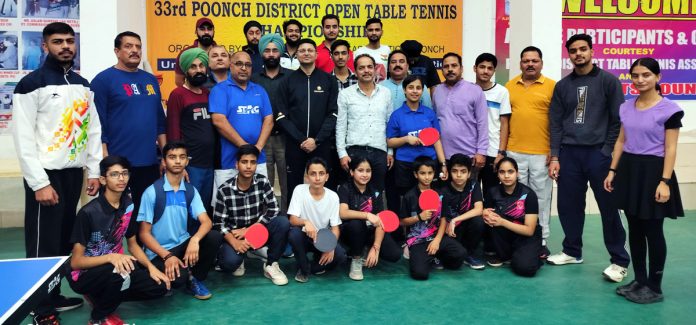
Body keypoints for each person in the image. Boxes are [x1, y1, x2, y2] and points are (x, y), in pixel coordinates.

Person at [13, 22, 101, 324]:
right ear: (44, 45)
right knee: (42, 246)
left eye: (69, 41)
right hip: (46, 177)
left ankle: (53, 294)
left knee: (65, 241)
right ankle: (40, 309)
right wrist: (39, 183)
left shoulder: (82, 83)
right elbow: (23, 138)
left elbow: (92, 130)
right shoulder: (30, 84)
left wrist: (94, 171)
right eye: (57, 41)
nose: (65, 46)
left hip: (73, 175)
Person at [547, 34, 630, 283]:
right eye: (573, 51)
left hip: (598, 154)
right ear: (569, 55)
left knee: (608, 208)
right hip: (569, 154)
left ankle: (619, 260)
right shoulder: (562, 86)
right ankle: (572, 251)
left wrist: (606, 151)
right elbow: (556, 124)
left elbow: (618, 121)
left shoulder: (609, 82)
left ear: (592, 51)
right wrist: (555, 156)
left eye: (583, 49)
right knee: (568, 206)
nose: (578, 54)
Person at [604, 58, 684, 304]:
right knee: (635, 229)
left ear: (658, 77)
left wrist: (664, 181)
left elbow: (670, 149)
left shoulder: (669, 109)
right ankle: (640, 280)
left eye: (646, 75)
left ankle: (655, 286)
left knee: (653, 230)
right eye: (635, 75)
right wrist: (612, 171)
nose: (640, 80)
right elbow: (620, 141)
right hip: (629, 170)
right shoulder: (626, 107)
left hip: (654, 173)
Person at [67, 156, 169, 325]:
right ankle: (98, 317)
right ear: (103, 179)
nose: (121, 178)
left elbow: (133, 244)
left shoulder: (128, 206)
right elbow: (76, 263)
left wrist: (151, 268)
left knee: (159, 286)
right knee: (120, 272)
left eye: (124, 173)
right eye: (114, 174)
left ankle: (102, 295)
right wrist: (111, 257)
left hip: (116, 268)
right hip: (84, 275)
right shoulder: (88, 213)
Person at [92, 31, 166, 219]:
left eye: (138, 47)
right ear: (117, 51)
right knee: (114, 219)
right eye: (128, 46)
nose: (134, 50)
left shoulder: (150, 81)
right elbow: (97, 124)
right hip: (118, 165)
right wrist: (104, 160)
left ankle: (141, 249)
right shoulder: (103, 80)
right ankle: (112, 251)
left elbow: (160, 122)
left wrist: (165, 156)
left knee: (145, 218)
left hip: (149, 163)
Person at [137, 142, 223, 300]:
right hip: (159, 251)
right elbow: (143, 234)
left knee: (214, 237)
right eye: (172, 157)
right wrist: (167, 256)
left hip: (183, 244)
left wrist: (195, 240)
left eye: (182, 157)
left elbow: (206, 222)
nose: (177, 161)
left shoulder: (190, 191)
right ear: (163, 161)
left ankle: (194, 278)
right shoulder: (152, 192)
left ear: (187, 161)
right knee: (177, 280)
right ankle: (184, 274)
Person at [213, 144, 290, 286]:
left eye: (252, 162)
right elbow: (219, 224)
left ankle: (271, 264)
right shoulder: (224, 190)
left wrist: (250, 229)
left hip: (257, 232)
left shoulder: (262, 181)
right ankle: (242, 255)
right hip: (236, 235)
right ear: (237, 164)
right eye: (244, 162)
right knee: (229, 264)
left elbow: (274, 208)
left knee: (283, 222)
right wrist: (235, 242)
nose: (248, 166)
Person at [503, 47, 555, 258]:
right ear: (520, 63)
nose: (530, 64)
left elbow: (557, 121)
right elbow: (504, 121)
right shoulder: (509, 86)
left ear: (541, 63)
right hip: (514, 152)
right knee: (517, 199)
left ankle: (541, 239)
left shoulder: (552, 86)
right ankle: (518, 238)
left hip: (542, 153)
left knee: (541, 198)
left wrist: (554, 150)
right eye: (526, 61)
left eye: (534, 60)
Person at [276, 38, 339, 197]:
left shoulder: (329, 80)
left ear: (316, 54)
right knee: (294, 187)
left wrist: (316, 140)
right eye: (302, 51)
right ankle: (294, 221)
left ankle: (326, 221)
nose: (306, 53)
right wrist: (301, 140)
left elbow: (333, 113)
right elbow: (281, 116)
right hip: (295, 144)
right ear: (296, 55)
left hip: (321, 144)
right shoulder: (286, 81)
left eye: (310, 50)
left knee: (324, 186)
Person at [210, 51, 273, 192]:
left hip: (258, 159)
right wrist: (245, 147)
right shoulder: (219, 90)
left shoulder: (260, 90)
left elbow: (269, 120)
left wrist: (257, 148)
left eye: (248, 65)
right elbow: (219, 121)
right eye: (239, 64)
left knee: (259, 201)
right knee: (228, 205)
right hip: (229, 161)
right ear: (230, 66)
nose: (244, 68)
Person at [386, 75, 447, 214]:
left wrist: (443, 164)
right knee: (408, 203)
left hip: (428, 164)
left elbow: (436, 139)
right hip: (405, 165)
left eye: (418, 88)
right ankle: (409, 233)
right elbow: (390, 141)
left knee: (430, 202)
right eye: (411, 87)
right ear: (404, 90)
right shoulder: (397, 115)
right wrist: (406, 139)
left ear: (422, 91)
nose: (415, 91)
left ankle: (428, 232)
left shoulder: (429, 113)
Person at [336, 54, 393, 196]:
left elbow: (390, 125)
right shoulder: (345, 94)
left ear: (375, 69)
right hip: (354, 152)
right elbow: (341, 126)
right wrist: (342, 153)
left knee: (377, 195)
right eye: (361, 68)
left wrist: (390, 151)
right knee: (353, 196)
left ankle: (375, 218)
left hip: (380, 152)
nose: (366, 71)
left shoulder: (386, 93)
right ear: (355, 71)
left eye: (369, 67)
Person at [401, 157, 466, 280]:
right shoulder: (409, 196)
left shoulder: (441, 194)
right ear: (416, 174)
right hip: (417, 240)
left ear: (434, 174)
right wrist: (418, 217)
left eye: (430, 173)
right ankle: (416, 254)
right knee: (420, 274)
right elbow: (402, 221)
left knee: (460, 255)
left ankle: (436, 256)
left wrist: (437, 240)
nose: (427, 177)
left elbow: (443, 219)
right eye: (422, 173)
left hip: (437, 236)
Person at [166, 48, 215, 209]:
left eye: (201, 66)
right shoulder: (178, 94)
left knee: (205, 208)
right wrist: (179, 165)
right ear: (186, 70)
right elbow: (173, 131)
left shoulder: (208, 93)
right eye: (193, 67)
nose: (199, 70)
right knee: (189, 209)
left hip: (210, 163)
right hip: (191, 165)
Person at [338, 157, 401, 281]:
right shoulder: (345, 188)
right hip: (350, 232)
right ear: (352, 172)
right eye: (360, 170)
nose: (365, 174)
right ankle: (356, 258)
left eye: (368, 171)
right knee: (356, 224)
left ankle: (367, 249)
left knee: (394, 254)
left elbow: (380, 221)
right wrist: (367, 215)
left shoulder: (375, 191)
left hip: (370, 231)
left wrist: (376, 247)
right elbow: (343, 213)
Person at [287, 157, 347, 282]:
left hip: (323, 238)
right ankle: (304, 267)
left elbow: (335, 228)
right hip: (305, 236)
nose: (317, 178)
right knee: (294, 234)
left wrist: (330, 247)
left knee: (340, 255)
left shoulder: (333, 196)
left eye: (321, 174)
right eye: (313, 174)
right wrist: (306, 222)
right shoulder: (299, 190)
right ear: (307, 176)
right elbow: (292, 219)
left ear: (327, 176)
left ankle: (309, 267)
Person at [483, 157, 543, 277]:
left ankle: (532, 254)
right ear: (498, 174)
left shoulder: (528, 194)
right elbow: (486, 213)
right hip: (505, 235)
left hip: (525, 237)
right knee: (491, 216)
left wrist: (502, 222)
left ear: (517, 173)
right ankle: (506, 254)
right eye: (502, 172)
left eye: (510, 171)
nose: (506, 176)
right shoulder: (492, 192)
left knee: (525, 269)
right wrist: (484, 213)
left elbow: (529, 230)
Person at [252, 33, 291, 212]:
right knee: (263, 182)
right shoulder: (253, 79)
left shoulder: (291, 76)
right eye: (267, 50)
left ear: (280, 53)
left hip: (286, 137)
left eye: (275, 50)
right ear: (262, 53)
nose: (271, 54)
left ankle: (287, 218)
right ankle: (267, 218)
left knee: (287, 183)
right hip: (261, 138)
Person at [432, 52, 488, 171]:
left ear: (461, 69)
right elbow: (435, 122)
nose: (450, 69)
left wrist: (481, 152)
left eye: (454, 65)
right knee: (443, 190)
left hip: (468, 155)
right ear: (442, 70)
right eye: (446, 67)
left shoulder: (475, 90)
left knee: (468, 189)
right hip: (442, 156)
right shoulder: (437, 91)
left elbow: (482, 124)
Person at [473, 53, 511, 202]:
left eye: (490, 68)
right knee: (470, 196)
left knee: (491, 196)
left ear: (494, 71)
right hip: (471, 151)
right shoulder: (467, 90)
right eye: (482, 67)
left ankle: (491, 225)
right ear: (475, 68)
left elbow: (504, 123)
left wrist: (501, 152)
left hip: (493, 152)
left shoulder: (501, 92)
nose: (485, 71)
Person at [441, 154, 486, 270]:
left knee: (478, 221)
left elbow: (479, 209)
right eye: (455, 171)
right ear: (450, 173)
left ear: (469, 173)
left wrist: (456, 220)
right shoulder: (443, 190)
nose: (459, 175)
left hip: (462, 225)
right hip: (448, 230)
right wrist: (449, 223)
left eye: (463, 171)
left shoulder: (473, 185)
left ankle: (469, 255)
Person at [175, 18, 217, 87]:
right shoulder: (186, 53)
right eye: (202, 29)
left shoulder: (221, 54)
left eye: (209, 29)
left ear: (213, 32)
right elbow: (179, 81)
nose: (206, 32)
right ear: (196, 31)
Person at [354, 17, 390, 82]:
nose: (374, 33)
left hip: (383, 90)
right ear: (366, 33)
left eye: (377, 30)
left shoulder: (387, 50)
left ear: (382, 32)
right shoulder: (358, 52)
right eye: (370, 30)